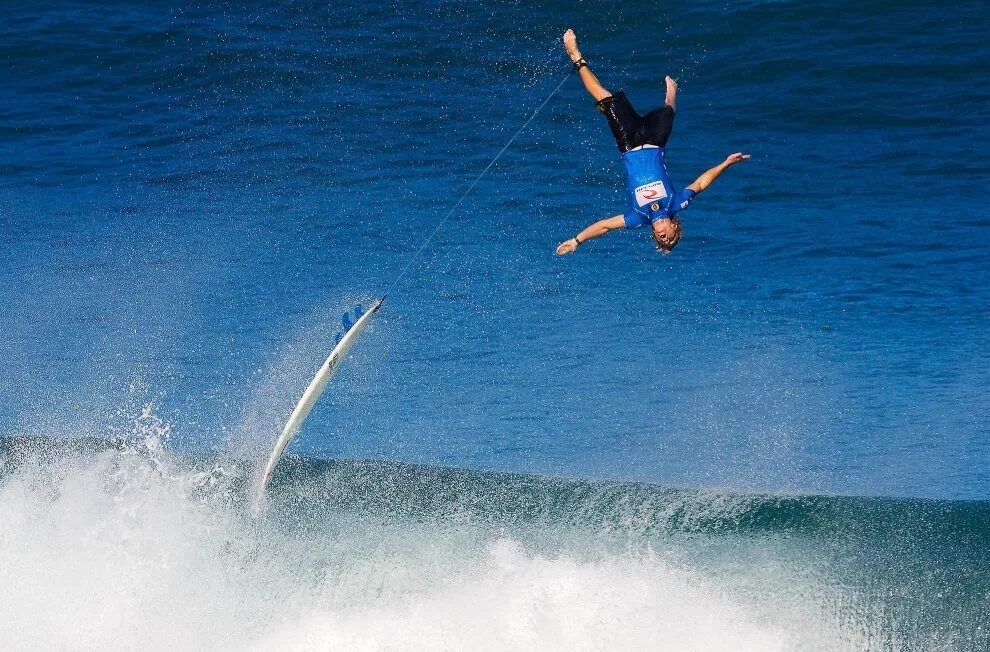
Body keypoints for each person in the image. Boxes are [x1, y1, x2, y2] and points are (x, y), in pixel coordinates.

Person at [556, 29, 750, 256]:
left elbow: (605, 225)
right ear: (675, 226)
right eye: (670, 237)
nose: (663, 236)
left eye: (661, 240)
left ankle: (576, 56)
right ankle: (671, 92)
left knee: (605, 99)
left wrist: (576, 241)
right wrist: (725, 164)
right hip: (656, 142)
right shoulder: (675, 204)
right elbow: (700, 184)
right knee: (668, 112)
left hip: (629, 143)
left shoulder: (638, 216)